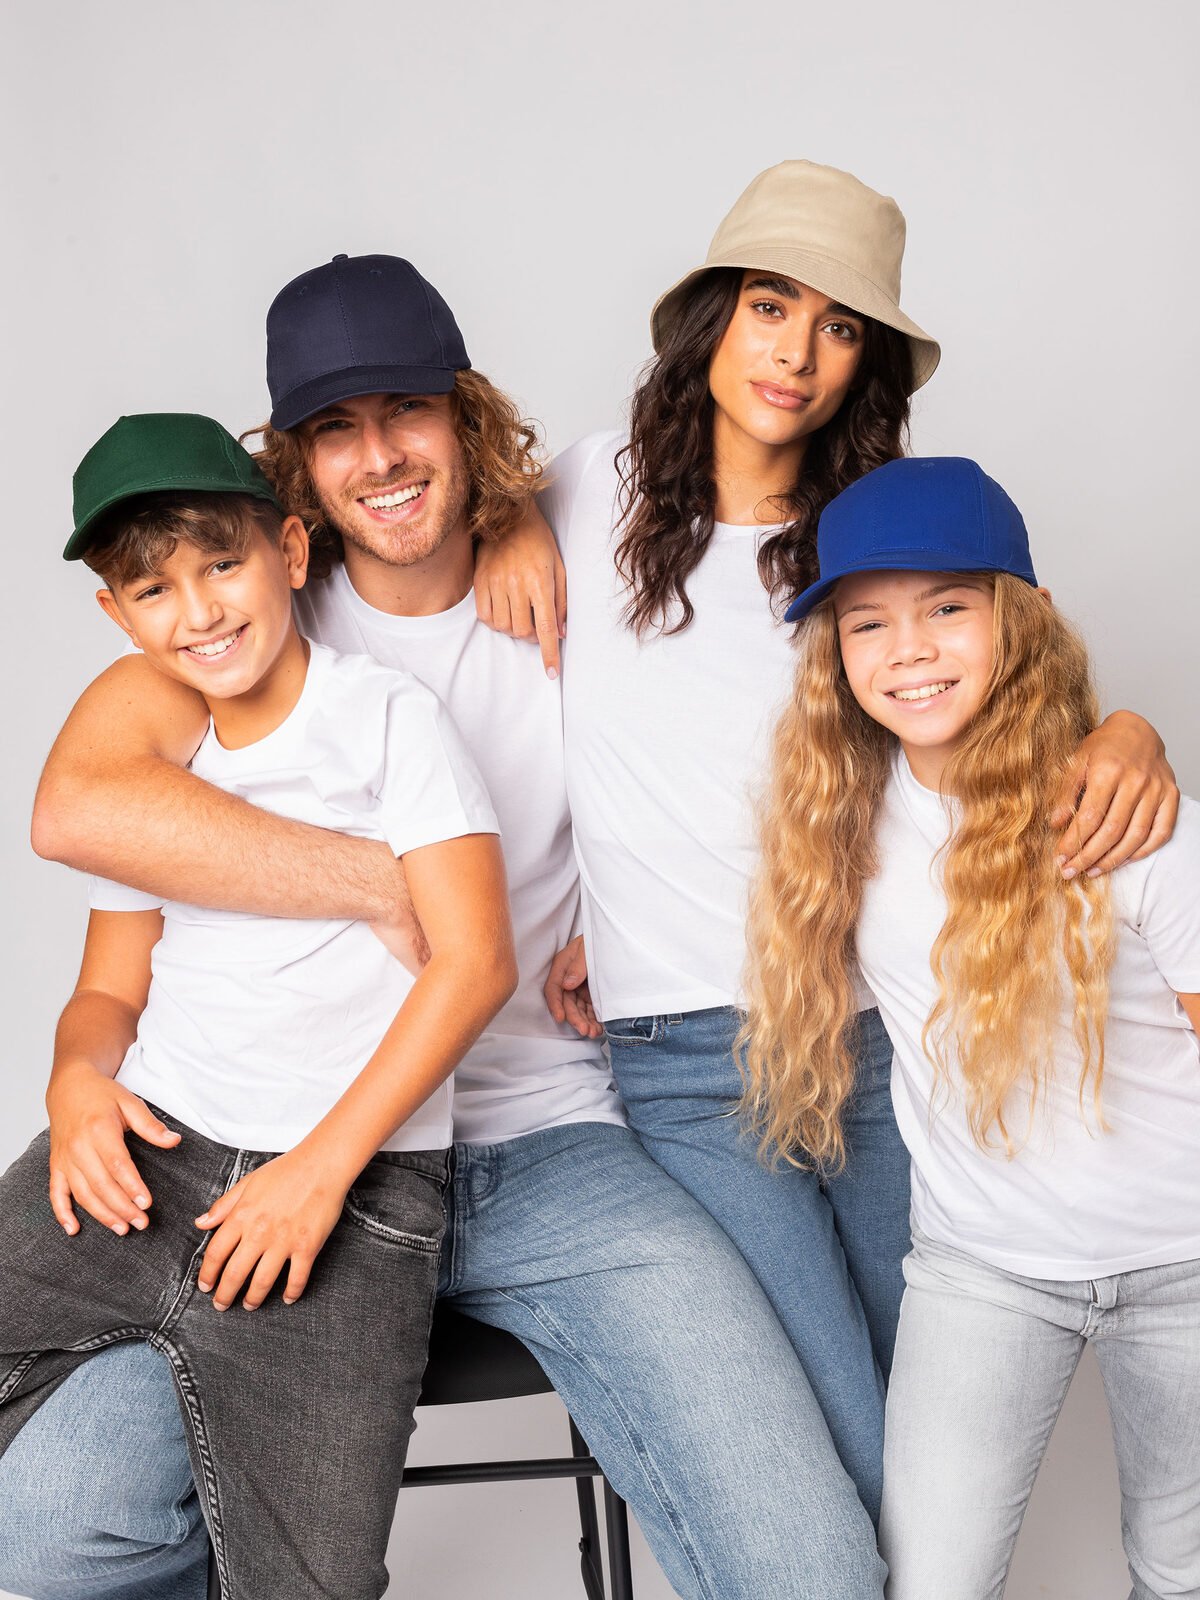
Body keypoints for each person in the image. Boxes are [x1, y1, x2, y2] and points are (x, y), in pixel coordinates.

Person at [18, 257, 886, 1598]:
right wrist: (379, 884)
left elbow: (850, 672)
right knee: (53, 1527)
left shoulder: (591, 579)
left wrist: (1108, 734)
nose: (379, 457)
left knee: (810, 1566)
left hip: (551, 1148)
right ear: (293, 478)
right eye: (334, 429)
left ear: (466, 416)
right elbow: (79, 813)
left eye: (409, 411)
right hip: (284, 1159)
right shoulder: (237, 628)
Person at [473, 158, 1180, 1513]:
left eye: (839, 326)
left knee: (931, 1454)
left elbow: (1014, 696)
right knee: (831, 1444)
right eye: (769, 306)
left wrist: (1131, 731)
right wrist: (504, 528)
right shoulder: (580, 493)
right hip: (686, 1056)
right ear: (712, 319)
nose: (796, 353)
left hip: (882, 1034)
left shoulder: (877, 532)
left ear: (870, 364)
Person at [0, 411, 516, 1600]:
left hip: (349, 1188)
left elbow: (476, 961)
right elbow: (108, 987)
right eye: (155, 590)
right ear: (117, 616)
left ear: (289, 550)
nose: (199, 612)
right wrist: (76, 1080)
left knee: (310, 1577)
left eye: (222, 566)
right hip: (155, 1150)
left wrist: (321, 1172)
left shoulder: (383, 716)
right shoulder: (155, 770)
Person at [742, 455, 1200, 1599]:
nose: (908, 649)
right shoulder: (837, 832)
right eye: (867, 623)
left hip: (1188, 1264)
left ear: (1023, 618)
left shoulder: (1134, 821)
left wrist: (1130, 731)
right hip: (983, 1271)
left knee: (1180, 1572)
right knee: (932, 1583)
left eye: (948, 608)